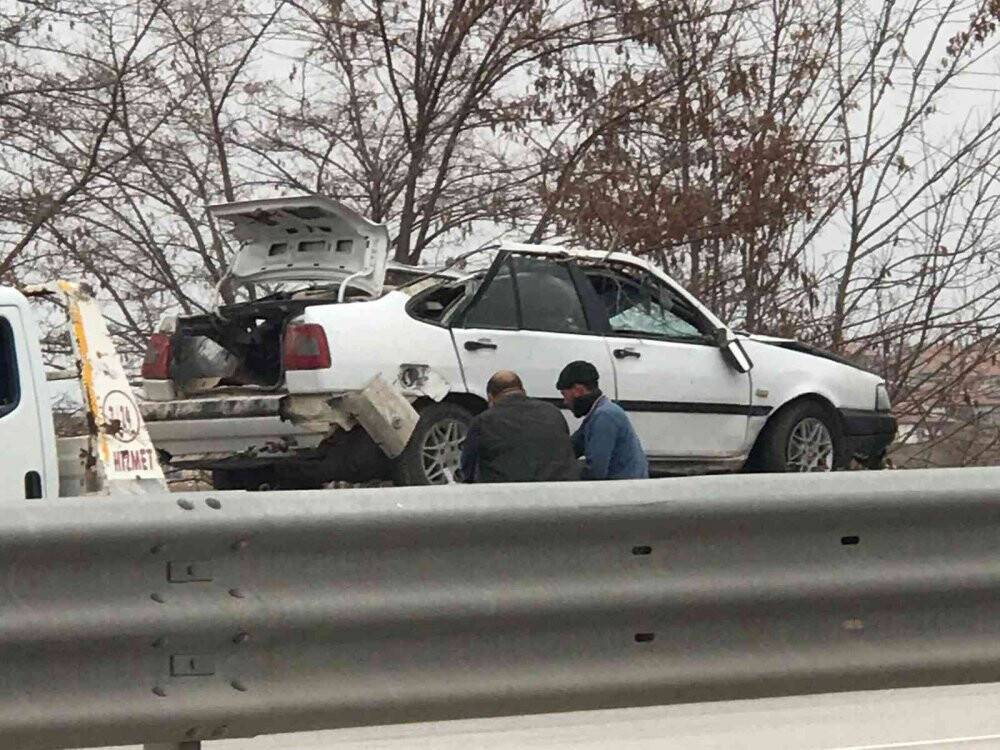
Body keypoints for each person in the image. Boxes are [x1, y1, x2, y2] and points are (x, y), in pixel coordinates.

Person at [460, 370, 579, 483]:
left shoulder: (483, 422)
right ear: (523, 391)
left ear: (491, 398)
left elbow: (468, 469)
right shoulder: (553, 412)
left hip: (507, 497)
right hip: (559, 494)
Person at [557, 360, 649, 480]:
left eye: (564, 394)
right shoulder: (596, 413)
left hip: (624, 490)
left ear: (578, 390)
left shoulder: (604, 416)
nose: (565, 402)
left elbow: (595, 471)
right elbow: (571, 448)